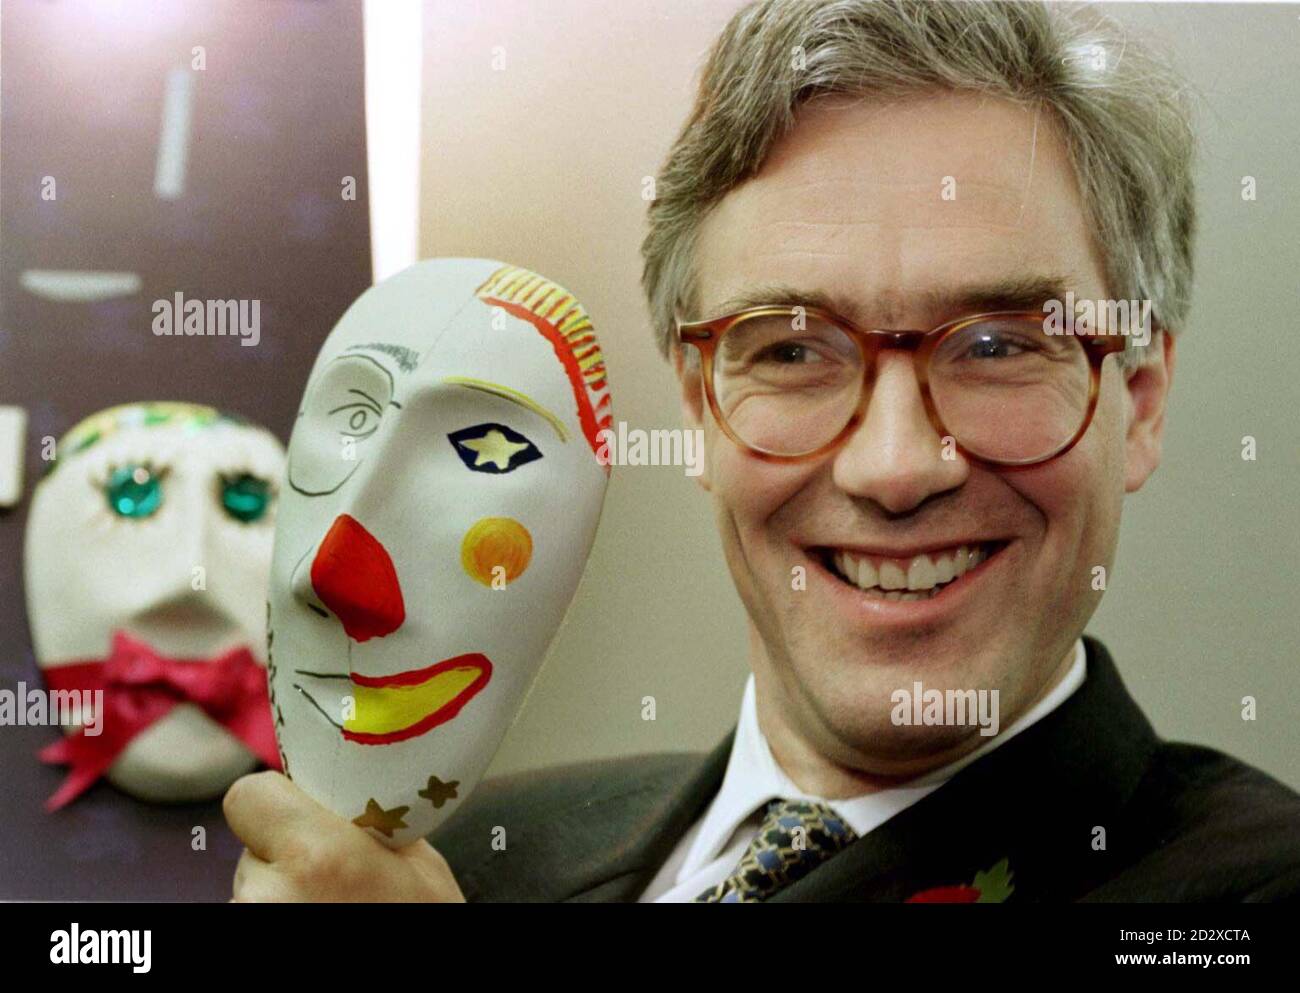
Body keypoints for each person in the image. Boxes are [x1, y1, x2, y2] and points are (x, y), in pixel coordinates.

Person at [224, 0, 1300, 903]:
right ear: (697, 407)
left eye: (995, 345)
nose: (892, 466)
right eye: (788, 348)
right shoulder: (470, 859)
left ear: (1140, 400)